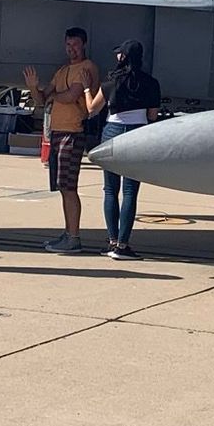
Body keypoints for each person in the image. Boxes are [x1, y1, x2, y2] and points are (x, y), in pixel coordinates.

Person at [84, 40, 161, 259]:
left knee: (110, 190)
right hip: (138, 134)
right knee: (130, 191)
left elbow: (92, 109)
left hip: (112, 131)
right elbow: (152, 115)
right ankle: (123, 245)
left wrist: (87, 89)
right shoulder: (151, 83)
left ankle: (111, 241)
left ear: (123, 57)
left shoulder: (111, 81)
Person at [25, 27, 99, 254]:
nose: (71, 49)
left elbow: (71, 95)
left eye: (75, 44)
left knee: (69, 186)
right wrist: (33, 87)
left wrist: (52, 97)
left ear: (83, 44)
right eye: (68, 45)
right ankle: (68, 232)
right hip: (57, 133)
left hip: (72, 132)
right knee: (62, 186)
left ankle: (73, 237)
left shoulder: (87, 68)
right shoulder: (63, 71)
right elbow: (42, 99)